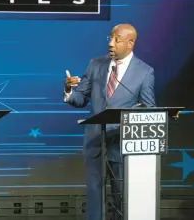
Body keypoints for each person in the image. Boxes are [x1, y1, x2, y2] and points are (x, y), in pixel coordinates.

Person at [64, 24, 156, 220]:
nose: (111, 44)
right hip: (95, 137)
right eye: (110, 39)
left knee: (120, 189)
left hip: (122, 140)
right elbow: (81, 99)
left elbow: (149, 109)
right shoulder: (95, 64)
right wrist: (69, 91)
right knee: (94, 188)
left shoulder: (145, 72)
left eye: (117, 40)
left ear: (130, 43)